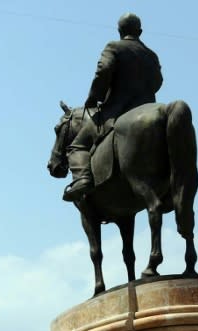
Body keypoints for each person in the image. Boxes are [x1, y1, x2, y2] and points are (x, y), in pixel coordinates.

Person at [63, 13, 163, 202]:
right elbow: (158, 82)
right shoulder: (151, 55)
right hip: (149, 107)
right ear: (139, 31)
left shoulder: (114, 47)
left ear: (119, 31)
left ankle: (83, 180)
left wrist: (94, 98)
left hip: (117, 110)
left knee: (77, 145)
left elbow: (103, 71)